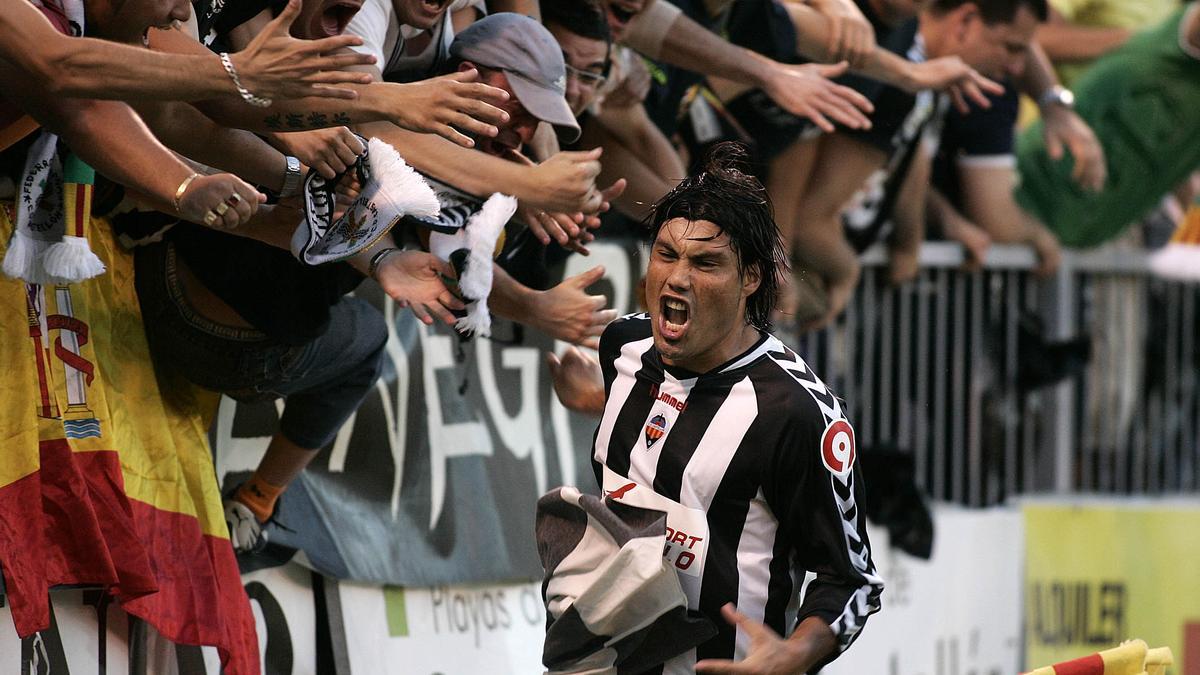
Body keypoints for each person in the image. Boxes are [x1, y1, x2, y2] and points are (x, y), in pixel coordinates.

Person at [547, 144, 883, 673]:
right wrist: (596, 398)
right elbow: (663, 418)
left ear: (750, 278)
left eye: (706, 263)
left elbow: (851, 581)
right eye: (666, 254)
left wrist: (793, 655)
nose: (677, 278)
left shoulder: (795, 412)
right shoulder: (623, 348)